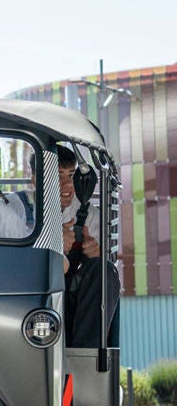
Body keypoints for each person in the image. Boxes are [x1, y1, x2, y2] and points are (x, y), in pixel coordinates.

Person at [58, 145, 120, 347]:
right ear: (35, 179)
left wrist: (95, 253)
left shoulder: (87, 214)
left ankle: (85, 355)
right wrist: (52, 244)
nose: (67, 184)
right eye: (58, 176)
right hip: (30, 296)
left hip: (69, 299)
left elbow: (99, 274)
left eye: (71, 175)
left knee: (104, 270)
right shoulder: (18, 210)